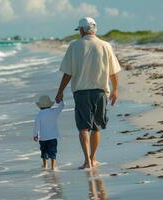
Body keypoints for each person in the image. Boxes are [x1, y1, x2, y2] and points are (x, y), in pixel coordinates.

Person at [55, 17, 121, 169]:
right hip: (100, 92)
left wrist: (60, 92)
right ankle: (94, 158)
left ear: (82, 30)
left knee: (83, 128)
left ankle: (87, 161)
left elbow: (68, 73)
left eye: (79, 29)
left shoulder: (74, 46)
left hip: (81, 92)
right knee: (96, 127)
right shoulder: (106, 46)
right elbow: (113, 71)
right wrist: (115, 89)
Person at [33, 95, 65, 170]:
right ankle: (53, 166)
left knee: (43, 151)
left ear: (40, 106)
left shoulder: (39, 115)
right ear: (50, 105)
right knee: (53, 151)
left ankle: (44, 165)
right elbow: (62, 106)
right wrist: (60, 100)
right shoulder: (54, 112)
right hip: (52, 136)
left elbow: (36, 126)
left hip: (43, 138)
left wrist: (35, 135)